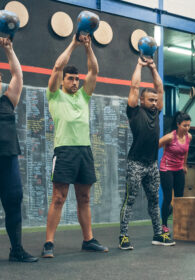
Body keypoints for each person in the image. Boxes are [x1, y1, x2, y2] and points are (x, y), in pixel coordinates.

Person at [42, 35, 108, 258]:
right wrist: (73, 43)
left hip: (84, 151)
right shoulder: (54, 95)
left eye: (76, 79)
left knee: (85, 198)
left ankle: (88, 239)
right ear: (62, 81)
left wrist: (88, 47)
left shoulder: (83, 96)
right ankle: (49, 242)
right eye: (70, 79)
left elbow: (94, 71)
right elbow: (57, 66)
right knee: (58, 198)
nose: (74, 82)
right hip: (64, 151)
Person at [119, 57, 175, 250]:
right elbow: (134, 87)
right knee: (130, 199)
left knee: (153, 200)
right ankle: (123, 236)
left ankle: (158, 234)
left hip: (151, 164)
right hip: (135, 163)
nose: (153, 103)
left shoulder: (156, 112)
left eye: (155, 101)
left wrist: (152, 67)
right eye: (150, 100)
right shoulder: (134, 111)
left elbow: (160, 88)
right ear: (141, 101)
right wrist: (139, 65)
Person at [0, 38, 38, 262]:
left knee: (14, 200)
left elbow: (18, 76)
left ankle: (16, 250)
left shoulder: (7, 100)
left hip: (8, 160)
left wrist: (9, 49)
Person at [159, 111, 192, 234]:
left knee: (179, 198)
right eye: (185, 125)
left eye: (189, 125)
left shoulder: (189, 136)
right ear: (178, 125)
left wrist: (184, 165)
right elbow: (156, 145)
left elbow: (186, 151)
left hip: (179, 169)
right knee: (168, 198)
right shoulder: (170, 137)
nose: (187, 128)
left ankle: (179, 223)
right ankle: (164, 224)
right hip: (166, 169)